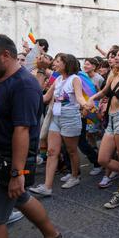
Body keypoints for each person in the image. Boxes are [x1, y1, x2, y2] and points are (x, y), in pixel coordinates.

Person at [0, 33, 65, 238]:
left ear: (5, 55)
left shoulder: (23, 85)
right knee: (21, 198)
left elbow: (22, 131)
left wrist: (16, 173)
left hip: (8, 163)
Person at [86, 48, 119, 208]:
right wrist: (92, 98)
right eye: (116, 56)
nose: (117, 58)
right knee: (102, 159)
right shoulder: (113, 75)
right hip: (112, 119)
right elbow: (104, 91)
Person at [29, 54, 88, 196]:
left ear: (66, 64)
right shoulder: (58, 80)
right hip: (56, 118)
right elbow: (44, 98)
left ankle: (75, 176)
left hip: (70, 119)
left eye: (57, 61)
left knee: (71, 150)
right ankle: (47, 187)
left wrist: (86, 104)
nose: (54, 63)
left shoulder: (75, 79)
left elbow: (79, 97)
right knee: (52, 152)